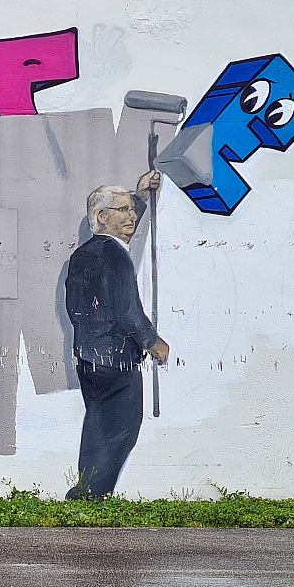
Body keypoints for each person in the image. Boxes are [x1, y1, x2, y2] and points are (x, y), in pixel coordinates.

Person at [63, 170, 169, 500]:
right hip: (117, 359)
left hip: (89, 359)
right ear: (100, 217)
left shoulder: (84, 254)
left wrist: (139, 195)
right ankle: (96, 494)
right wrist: (152, 341)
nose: (132, 216)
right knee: (122, 429)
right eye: (123, 210)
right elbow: (127, 308)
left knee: (97, 425)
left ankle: (84, 491)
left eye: (132, 209)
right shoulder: (113, 256)